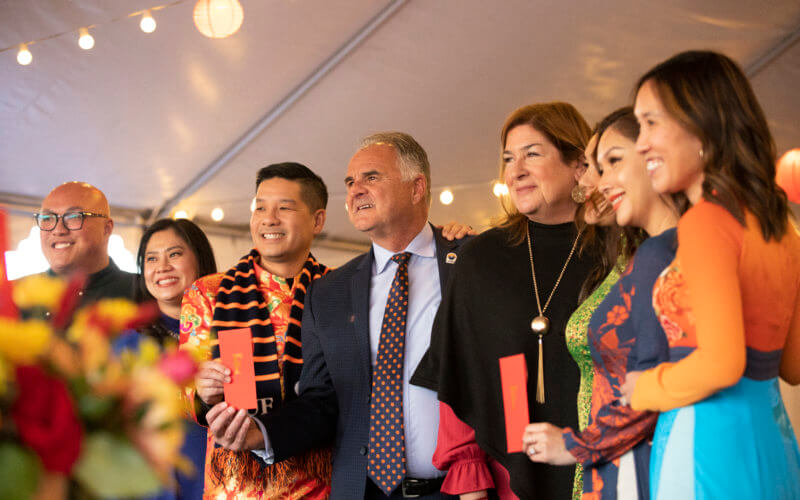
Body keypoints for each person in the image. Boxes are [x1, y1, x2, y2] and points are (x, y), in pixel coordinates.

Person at [205, 132, 472, 499]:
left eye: (372, 177)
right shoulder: (328, 292)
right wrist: (261, 433)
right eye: (349, 182)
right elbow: (321, 400)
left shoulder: (469, 262)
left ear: (417, 187)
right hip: (360, 491)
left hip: (460, 491)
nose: (355, 190)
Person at [619, 50, 800, 499]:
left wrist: (645, 388)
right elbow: (793, 366)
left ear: (701, 123)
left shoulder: (705, 221)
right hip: (772, 437)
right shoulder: (782, 225)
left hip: (707, 442)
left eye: (651, 122)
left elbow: (722, 364)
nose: (641, 143)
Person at [412, 102, 600, 499]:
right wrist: (471, 485)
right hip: (507, 482)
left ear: (578, 164)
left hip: (604, 471)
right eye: (508, 159)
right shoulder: (481, 258)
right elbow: (458, 374)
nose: (515, 172)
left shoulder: (614, 251)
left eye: (533, 154)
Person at [523, 107, 683, 499]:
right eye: (592, 166)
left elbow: (658, 377)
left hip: (646, 455)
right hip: (612, 455)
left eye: (609, 162)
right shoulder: (628, 259)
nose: (589, 181)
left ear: (652, 159)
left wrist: (577, 445)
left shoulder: (665, 254)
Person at [179, 162, 332, 499]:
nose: (268, 218)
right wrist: (202, 390)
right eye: (260, 207)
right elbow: (181, 389)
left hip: (320, 483)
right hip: (236, 486)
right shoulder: (209, 292)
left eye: (284, 207)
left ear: (317, 220)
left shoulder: (339, 289)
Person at [115, 218, 217, 499]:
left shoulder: (229, 332)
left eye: (174, 254)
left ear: (200, 258)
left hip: (220, 485)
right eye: (151, 258)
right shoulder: (126, 344)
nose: (162, 267)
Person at [32, 181, 135, 304]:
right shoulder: (16, 296)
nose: (58, 230)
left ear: (106, 229)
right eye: (47, 218)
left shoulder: (145, 294)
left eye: (73, 217)